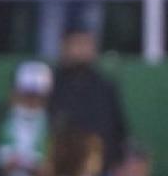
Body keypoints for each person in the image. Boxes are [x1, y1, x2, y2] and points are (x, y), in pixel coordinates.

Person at [48, 29, 126, 163]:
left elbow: (118, 127)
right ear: (64, 48)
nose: (82, 50)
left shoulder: (105, 86)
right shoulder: (50, 85)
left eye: (87, 44)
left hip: (100, 168)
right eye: (77, 44)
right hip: (59, 168)